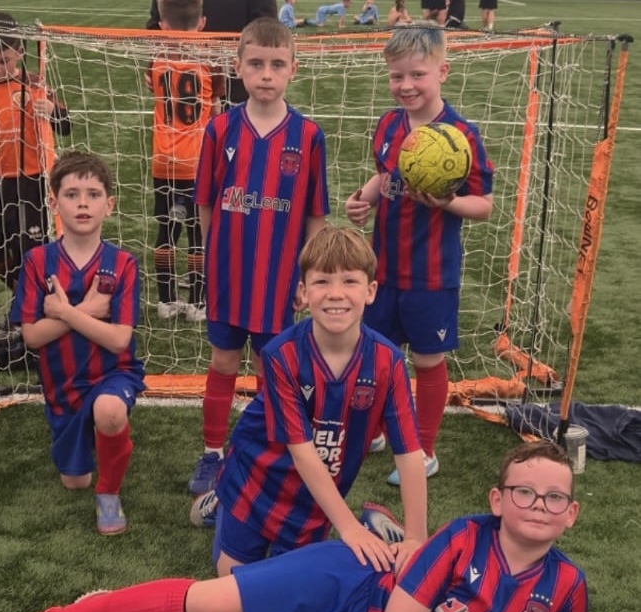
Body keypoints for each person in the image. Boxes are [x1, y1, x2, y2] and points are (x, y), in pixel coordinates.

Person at [0, 440, 588, 612]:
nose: (538, 505)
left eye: (554, 498)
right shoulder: (463, 536)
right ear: (497, 498)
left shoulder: (566, 587)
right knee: (206, 606)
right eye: (524, 492)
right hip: (345, 578)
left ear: (572, 515)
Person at [193, 226, 428, 578]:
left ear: (371, 291)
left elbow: (410, 452)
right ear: (303, 292)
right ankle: (221, 502)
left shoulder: (388, 361)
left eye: (350, 281)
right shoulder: (280, 355)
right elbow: (302, 452)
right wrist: (348, 528)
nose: (336, 294)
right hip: (254, 483)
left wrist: (416, 538)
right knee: (235, 584)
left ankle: (376, 524)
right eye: (321, 282)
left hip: (313, 500)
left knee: (290, 596)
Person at [345, 23, 493, 486]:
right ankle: (370, 430)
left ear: (442, 71)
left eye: (417, 75)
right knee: (374, 355)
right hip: (381, 271)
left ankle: (424, 449)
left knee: (427, 361)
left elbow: (483, 205)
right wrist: (364, 198)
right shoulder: (389, 124)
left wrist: (447, 202)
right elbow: (384, 176)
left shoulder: (461, 135)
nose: (406, 85)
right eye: (397, 76)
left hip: (431, 275)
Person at [188, 17, 329, 496]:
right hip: (230, 274)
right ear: (239, 68)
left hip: (280, 278)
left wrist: (309, 278)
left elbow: (315, 215)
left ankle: (269, 452)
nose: (265, 74)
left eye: (276, 65)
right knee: (223, 362)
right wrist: (213, 258)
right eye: (255, 64)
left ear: (293, 68)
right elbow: (206, 201)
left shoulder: (308, 136)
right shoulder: (220, 128)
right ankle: (211, 453)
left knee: (276, 370)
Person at [10, 152, 146, 536]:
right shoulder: (38, 261)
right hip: (62, 385)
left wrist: (67, 313)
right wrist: (89, 310)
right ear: (54, 203)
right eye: (71, 194)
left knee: (109, 411)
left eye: (93, 193)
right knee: (74, 481)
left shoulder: (123, 263)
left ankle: (110, 494)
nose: (83, 203)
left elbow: (120, 339)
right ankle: (85, 439)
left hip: (111, 374)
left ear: (109, 205)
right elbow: (32, 336)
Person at [0, 10, 71, 370]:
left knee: (32, 253)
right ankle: (28, 307)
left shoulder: (37, 84)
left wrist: (50, 110)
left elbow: (66, 124)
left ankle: (24, 320)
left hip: (33, 182)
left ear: (20, 52)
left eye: (3, 60)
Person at [146, 0, 224, 322]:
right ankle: (197, 302)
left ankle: (166, 300)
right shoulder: (212, 61)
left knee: (166, 230)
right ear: (203, 22)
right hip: (197, 162)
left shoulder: (155, 60)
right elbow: (217, 109)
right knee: (198, 234)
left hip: (164, 160)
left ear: (162, 25)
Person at [146, 0, 278, 106]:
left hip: (239, 87)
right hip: (183, 91)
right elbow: (156, 26)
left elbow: (267, 27)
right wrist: (155, 65)